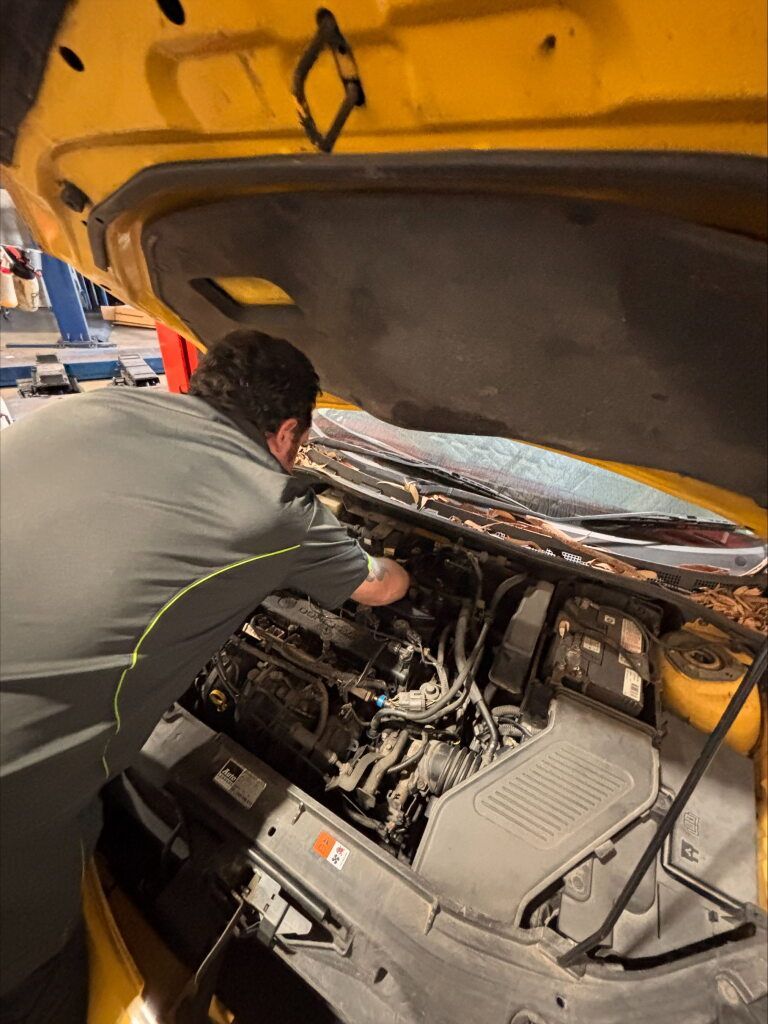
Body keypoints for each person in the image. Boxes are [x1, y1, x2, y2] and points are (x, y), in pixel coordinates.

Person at [0, 329, 409, 1023]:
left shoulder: (90, 407)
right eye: (301, 445)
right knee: (41, 980)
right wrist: (402, 566)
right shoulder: (271, 504)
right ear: (287, 432)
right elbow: (381, 587)